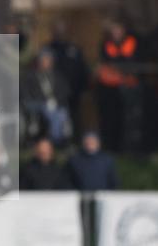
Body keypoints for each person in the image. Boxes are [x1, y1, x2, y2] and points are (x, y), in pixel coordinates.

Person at [96, 21, 141, 152]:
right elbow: (106, 62)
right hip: (110, 89)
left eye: (118, 30)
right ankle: (111, 147)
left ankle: (128, 149)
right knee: (110, 119)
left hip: (129, 88)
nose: (116, 33)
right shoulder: (106, 44)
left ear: (123, 30)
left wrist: (119, 66)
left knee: (128, 120)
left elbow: (131, 61)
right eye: (113, 30)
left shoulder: (132, 43)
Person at [47, 20, 88, 140]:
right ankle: (56, 141)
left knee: (74, 116)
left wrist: (83, 87)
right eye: (57, 29)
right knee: (56, 116)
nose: (60, 32)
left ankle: (75, 140)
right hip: (54, 91)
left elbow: (82, 69)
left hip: (74, 90)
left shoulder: (74, 49)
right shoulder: (49, 48)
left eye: (62, 30)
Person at [21, 47, 71, 146]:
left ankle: (58, 140)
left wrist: (56, 102)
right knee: (52, 113)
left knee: (61, 113)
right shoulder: (30, 76)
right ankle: (55, 140)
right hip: (36, 105)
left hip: (56, 105)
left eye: (48, 59)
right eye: (43, 60)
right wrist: (42, 103)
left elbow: (65, 92)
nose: (46, 62)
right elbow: (25, 94)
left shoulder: (58, 76)